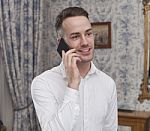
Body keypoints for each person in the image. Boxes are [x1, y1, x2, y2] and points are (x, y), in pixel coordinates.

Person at [31, 6, 118, 131]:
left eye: (88, 34)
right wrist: (73, 85)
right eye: (75, 36)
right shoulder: (43, 83)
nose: (85, 42)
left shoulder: (108, 84)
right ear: (61, 43)